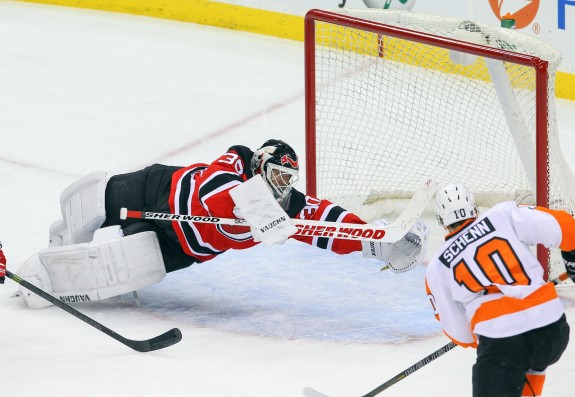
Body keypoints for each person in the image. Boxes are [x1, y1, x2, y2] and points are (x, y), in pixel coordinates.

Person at [16, 139, 429, 308]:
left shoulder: (288, 203)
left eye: (290, 180)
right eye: (279, 177)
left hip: (179, 246)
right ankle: (61, 237)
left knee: (127, 262)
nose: (284, 187)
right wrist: (260, 213)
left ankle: (46, 282)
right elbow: (220, 190)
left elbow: (327, 221)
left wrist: (376, 242)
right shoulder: (233, 164)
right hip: (157, 187)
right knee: (90, 198)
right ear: (260, 167)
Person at [425, 183, 571, 397]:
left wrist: (485, 339)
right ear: (475, 209)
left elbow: (458, 331)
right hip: (552, 331)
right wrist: (574, 260)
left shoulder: (437, 267)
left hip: (505, 344)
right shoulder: (504, 213)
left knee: (510, 365)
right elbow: (565, 226)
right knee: (527, 371)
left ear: (441, 222)